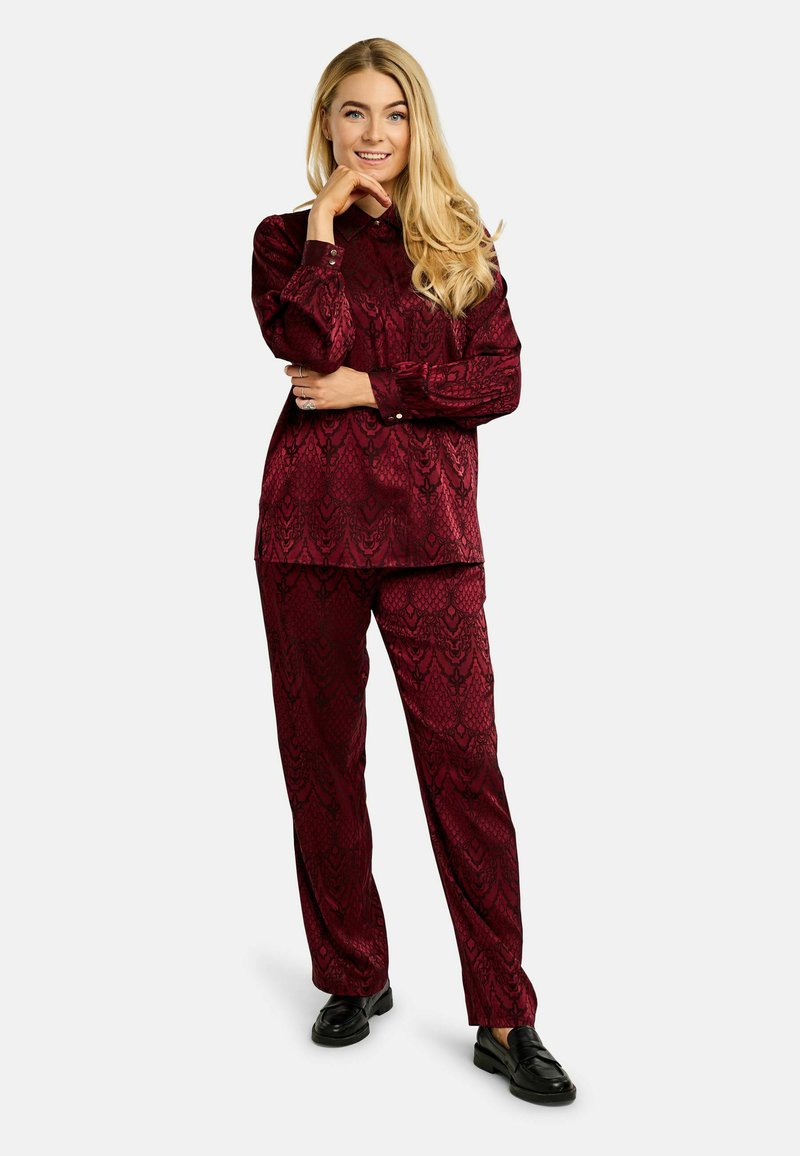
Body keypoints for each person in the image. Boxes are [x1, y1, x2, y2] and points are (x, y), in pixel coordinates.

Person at [250, 37, 576, 1106]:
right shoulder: (283, 240)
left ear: (417, 124)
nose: (374, 133)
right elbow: (308, 340)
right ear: (326, 124)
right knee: (321, 762)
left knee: (464, 770)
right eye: (353, 113)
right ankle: (352, 973)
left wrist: (373, 390)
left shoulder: (457, 241)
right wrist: (325, 225)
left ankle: (503, 1013)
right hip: (307, 535)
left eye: (393, 113)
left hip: (432, 542)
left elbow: (500, 379)